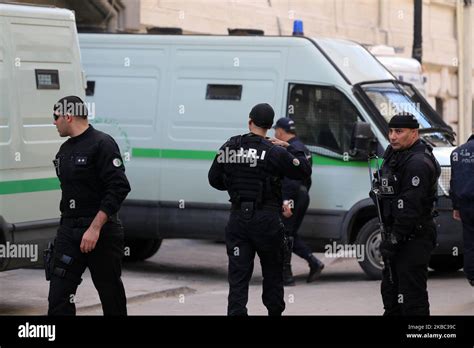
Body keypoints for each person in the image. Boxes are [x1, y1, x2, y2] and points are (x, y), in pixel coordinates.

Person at [208, 103, 312, 316]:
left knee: (238, 277)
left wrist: (236, 186)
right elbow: (303, 170)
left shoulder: (231, 146)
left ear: (249, 121)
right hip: (267, 221)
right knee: (273, 273)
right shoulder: (274, 151)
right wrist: (288, 147)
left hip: (238, 220)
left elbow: (214, 179)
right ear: (270, 126)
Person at [47, 96, 131, 315]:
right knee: (58, 295)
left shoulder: (102, 143)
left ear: (68, 116)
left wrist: (94, 228)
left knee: (110, 294)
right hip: (69, 230)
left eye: (55, 117)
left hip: (100, 231)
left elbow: (119, 187)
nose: (54, 122)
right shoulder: (63, 151)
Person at [373, 113, 440, 316]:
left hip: (412, 238)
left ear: (414, 133)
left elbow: (409, 209)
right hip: (396, 235)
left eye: (399, 132)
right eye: (391, 131)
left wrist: (393, 241)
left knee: (412, 300)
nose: (393, 136)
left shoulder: (417, 162)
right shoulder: (394, 155)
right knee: (392, 296)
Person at [273, 117, 324, 285]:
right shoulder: (303, 149)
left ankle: (286, 276)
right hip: (301, 195)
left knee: (285, 235)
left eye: (276, 131)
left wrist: (286, 200)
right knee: (290, 233)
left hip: (292, 196)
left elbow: (292, 179)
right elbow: (306, 177)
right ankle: (313, 262)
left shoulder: (290, 149)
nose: (275, 133)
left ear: (280, 131)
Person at [450, 135, 474, 287]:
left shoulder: (457, 153)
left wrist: (456, 206)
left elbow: (454, 182)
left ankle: (472, 275)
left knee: (470, 241)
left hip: (466, 205)